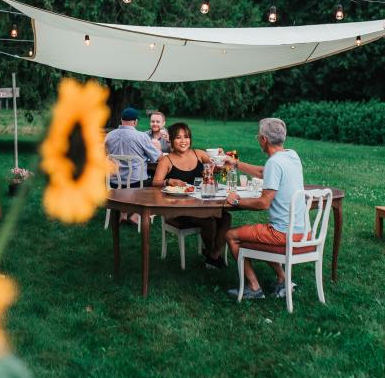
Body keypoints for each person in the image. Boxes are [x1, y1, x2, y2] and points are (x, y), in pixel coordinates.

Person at [222, 118, 306, 299]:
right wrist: (236, 163)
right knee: (260, 232)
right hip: (301, 230)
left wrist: (236, 201)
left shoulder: (274, 163)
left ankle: (253, 287)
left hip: (282, 234)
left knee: (231, 235)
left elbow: (263, 203)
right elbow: (263, 172)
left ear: (263, 139)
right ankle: (283, 280)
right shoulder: (292, 155)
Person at [152, 122, 230, 269]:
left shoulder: (199, 154)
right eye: (178, 137)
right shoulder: (166, 160)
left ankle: (213, 254)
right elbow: (155, 182)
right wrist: (169, 180)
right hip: (178, 208)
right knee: (209, 221)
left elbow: (221, 172)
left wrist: (221, 160)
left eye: (186, 137)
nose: (183, 141)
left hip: (202, 204)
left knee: (226, 217)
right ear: (171, 140)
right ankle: (213, 256)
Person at [104, 107, 161, 187]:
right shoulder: (142, 137)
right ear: (135, 122)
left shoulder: (109, 136)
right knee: (156, 181)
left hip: (112, 183)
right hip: (137, 184)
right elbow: (157, 157)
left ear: (121, 120)